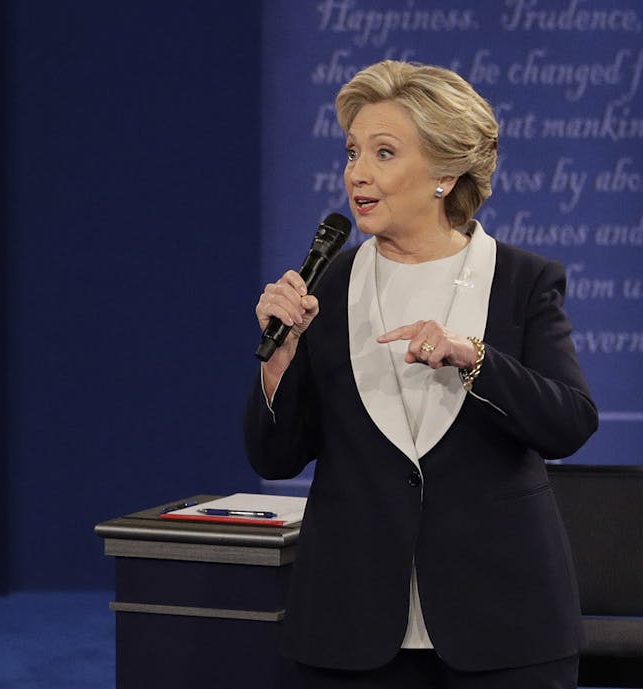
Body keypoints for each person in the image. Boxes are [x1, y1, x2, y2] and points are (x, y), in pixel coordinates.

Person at [245, 60, 598, 688]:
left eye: (383, 152)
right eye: (353, 151)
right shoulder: (326, 288)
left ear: (444, 172)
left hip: (503, 626)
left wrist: (476, 360)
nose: (357, 172)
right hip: (348, 628)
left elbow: (569, 423)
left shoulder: (522, 281)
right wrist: (279, 359)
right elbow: (275, 457)